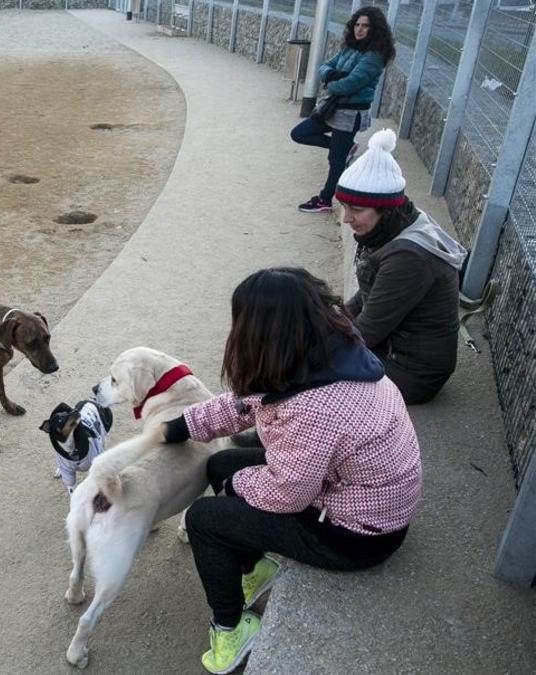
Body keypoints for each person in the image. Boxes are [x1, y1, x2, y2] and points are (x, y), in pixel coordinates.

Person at [160, 267, 421, 675]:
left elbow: (287, 494)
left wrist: (236, 484)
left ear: (262, 333)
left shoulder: (315, 408)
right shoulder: (328, 358)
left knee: (204, 519)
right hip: (357, 499)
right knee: (220, 462)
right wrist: (180, 426)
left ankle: (230, 632)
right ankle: (250, 568)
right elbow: (246, 402)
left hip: (356, 535)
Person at [337, 128, 467, 404]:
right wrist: (331, 316)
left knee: (312, 373)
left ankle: (271, 435)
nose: (346, 218)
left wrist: (313, 345)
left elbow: (368, 331)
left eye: (356, 210)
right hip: (394, 350)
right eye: (344, 207)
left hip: (411, 372)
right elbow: (370, 294)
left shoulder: (409, 257)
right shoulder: (399, 224)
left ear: (385, 209)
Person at [292, 6, 395, 214]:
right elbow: (324, 67)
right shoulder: (350, 47)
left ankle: (324, 200)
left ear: (375, 29)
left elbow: (350, 84)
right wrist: (334, 75)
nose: (359, 29)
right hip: (332, 108)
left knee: (336, 160)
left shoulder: (374, 57)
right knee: (299, 133)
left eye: (365, 26)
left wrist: (331, 81)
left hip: (350, 113)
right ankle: (345, 148)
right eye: (357, 24)